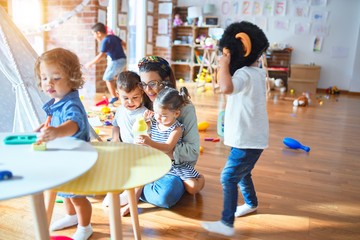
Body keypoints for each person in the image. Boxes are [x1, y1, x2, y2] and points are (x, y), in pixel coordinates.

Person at [201, 21, 270, 237]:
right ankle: (251, 203)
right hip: (249, 138)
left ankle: (226, 222)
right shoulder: (256, 72)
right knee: (243, 173)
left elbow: (226, 87)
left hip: (247, 140)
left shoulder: (244, 75)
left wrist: (223, 63)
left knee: (228, 177)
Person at [114, 56, 205, 216]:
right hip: (145, 162)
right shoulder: (142, 101)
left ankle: (132, 188)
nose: (148, 90)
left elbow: (192, 152)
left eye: (153, 83)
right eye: (143, 84)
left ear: (167, 80)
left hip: (172, 166)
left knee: (165, 195)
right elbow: (121, 121)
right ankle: (135, 187)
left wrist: (158, 147)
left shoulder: (184, 108)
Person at [34, 48, 92, 240]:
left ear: (72, 79)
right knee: (65, 191)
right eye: (44, 78)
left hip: (76, 157)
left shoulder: (71, 104)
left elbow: (73, 124)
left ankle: (85, 226)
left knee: (77, 195)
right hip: (64, 157)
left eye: (56, 77)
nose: (49, 83)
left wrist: (57, 132)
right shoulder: (58, 99)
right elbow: (54, 118)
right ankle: (71, 216)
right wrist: (46, 125)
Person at [136, 86, 204, 194]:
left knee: (192, 188)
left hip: (174, 165)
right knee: (139, 177)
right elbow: (142, 128)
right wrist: (144, 120)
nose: (158, 117)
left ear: (176, 114)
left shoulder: (177, 129)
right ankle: (131, 204)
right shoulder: (154, 122)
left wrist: (149, 142)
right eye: (156, 113)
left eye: (163, 115)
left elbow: (168, 147)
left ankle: (200, 178)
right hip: (156, 162)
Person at [85, 22, 127, 104]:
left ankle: (114, 97)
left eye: (94, 34)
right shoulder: (113, 37)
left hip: (116, 61)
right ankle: (118, 94)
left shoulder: (105, 41)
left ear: (99, 33)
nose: (94, 37)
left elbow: (101, 56)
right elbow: (124, 44)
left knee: (107, 77)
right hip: (122, 60)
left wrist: (90, 63)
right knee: (114, 78)